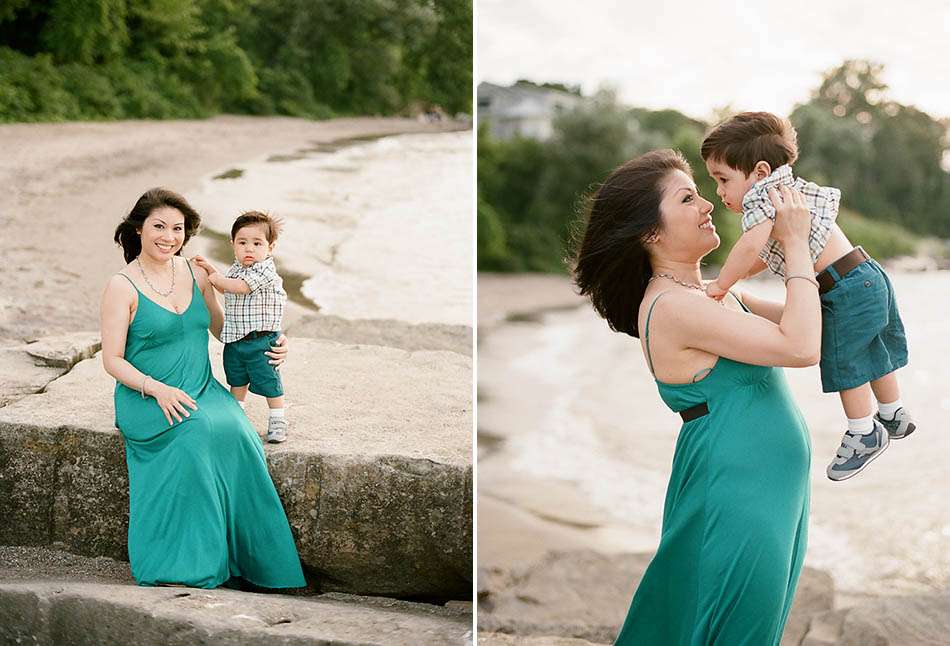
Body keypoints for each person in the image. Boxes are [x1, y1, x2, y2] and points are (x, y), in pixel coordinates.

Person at [572, 149, 819, 645]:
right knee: (732, 631)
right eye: (688, 198)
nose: (707, 204)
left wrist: (830, 250)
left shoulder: (716, 295)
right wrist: (794, 245)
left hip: (771, 491)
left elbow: (821, 325)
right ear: (650, 232)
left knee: (750, 629)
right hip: (734, 493)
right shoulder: (670, 307)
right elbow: (802, 347)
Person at [100, 188, 306, 589]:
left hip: (201, 385)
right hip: (147, 395)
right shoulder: (121, 286)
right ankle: (193, 564)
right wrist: (157, 389)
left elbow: (222, 328)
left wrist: (274, 340)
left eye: (177, 228)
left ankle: (257, 566)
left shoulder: (196, 273)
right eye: (159, 226)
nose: (169, 236)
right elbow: (113, 361)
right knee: (195, 433)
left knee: (240, 434)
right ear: (138, 228)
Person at [701, 111, 913, 481]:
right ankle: (893, 412)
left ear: (760, 173)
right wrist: (738, 283)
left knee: (845, 360)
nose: (719, 192)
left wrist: (720, 284)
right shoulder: (786, 191)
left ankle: (864, 431)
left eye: (723, 180)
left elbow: (750, 248)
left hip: (841, 287)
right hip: (864, 274)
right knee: (872, 350)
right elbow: (764, 258)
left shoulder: (763, 199)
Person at [193, 211, 289, 443]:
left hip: (261, 339)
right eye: (242, 242)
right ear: (233, 244)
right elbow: (228, 287)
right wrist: (211, 270)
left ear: (270, 247)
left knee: (268, 379)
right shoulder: (237, 269)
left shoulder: (265, 271)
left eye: (257, 243)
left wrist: (215, 280)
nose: (249, 249)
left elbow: (241, 287)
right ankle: (236, 415)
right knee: (237, 379)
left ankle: (278, 418)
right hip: (236, 339)